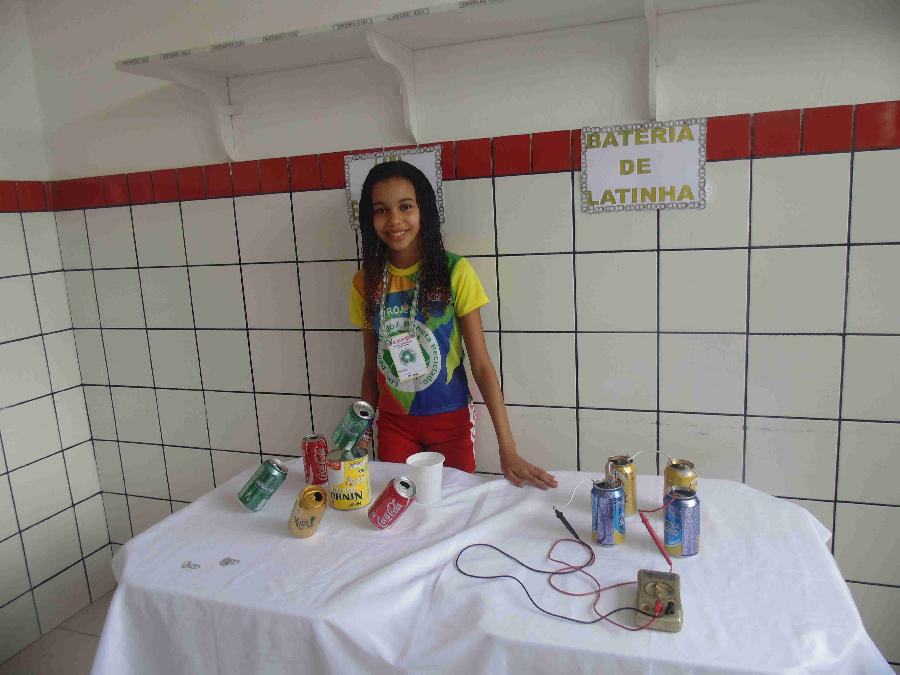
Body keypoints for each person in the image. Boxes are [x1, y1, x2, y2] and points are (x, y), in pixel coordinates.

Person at [349, 160, 557, 490]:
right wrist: (358, 434)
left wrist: (508, 450)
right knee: (400, 510)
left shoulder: (455, 272)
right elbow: (370, 370)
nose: (394, 220)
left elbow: (481, 365)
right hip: (394, 425)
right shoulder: (365, 282)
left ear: (424, 210)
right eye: (381, 210)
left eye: (405, 206)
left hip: (451, 423)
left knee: (454, 510)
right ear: (369, 218)